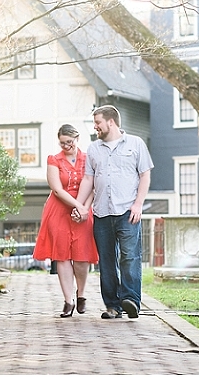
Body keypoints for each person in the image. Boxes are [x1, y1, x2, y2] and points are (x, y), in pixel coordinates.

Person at [74, 105, 153, 320]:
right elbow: (88, 180)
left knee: (129, 257)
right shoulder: (93, 149)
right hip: (102, 212)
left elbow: (145, 175)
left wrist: (138, 204)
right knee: (106, 261)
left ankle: (131, 300)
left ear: (111, 122)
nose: (95, 127)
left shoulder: (136, 144)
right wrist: (79, 206)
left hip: (128, 211)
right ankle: (112, 306)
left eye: (98, 122)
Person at [33, 124, 99, 318]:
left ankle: (81, 294)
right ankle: (68, 300)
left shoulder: (88, 158)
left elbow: (94, 186)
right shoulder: (54, 160)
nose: (66, 146)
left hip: (84, 209)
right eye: (62, 143)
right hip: (59, 210)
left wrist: (84, 208)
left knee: (81, 256)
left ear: (77, 139)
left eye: (69, 142)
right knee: (61, 255)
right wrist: (77, 206)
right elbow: (57, 189)